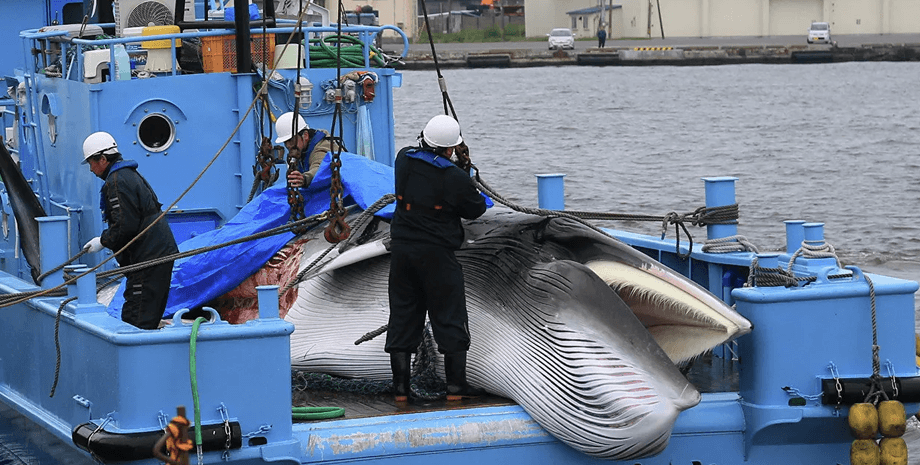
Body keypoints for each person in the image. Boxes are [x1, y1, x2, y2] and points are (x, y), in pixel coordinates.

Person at [385, 115, 488, 402]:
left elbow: (421, 160)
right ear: (451, 149)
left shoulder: (403, 159)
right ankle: (456, 390)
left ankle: (401, 392)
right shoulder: (454, 178)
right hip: (437, 256)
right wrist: (464, 172)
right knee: (449, 317)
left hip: (402, 254)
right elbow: (476, 209)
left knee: (403, 317)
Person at [81, 131, 178, 330]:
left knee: (136, 320)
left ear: (103, 159)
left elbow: (125, 226)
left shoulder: (117, 182)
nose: (90, 169)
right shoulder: (127, 175)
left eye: (91, 162)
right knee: (145, 316)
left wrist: (103, 241)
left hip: (148, 260)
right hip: (155, 256)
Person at [275, 112, 340, 189]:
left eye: (291, 140)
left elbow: (319, 167)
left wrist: (305, 178)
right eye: (285, 142)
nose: (288, 145)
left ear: (305, 136)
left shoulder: (321, 148)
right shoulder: (301, 150)